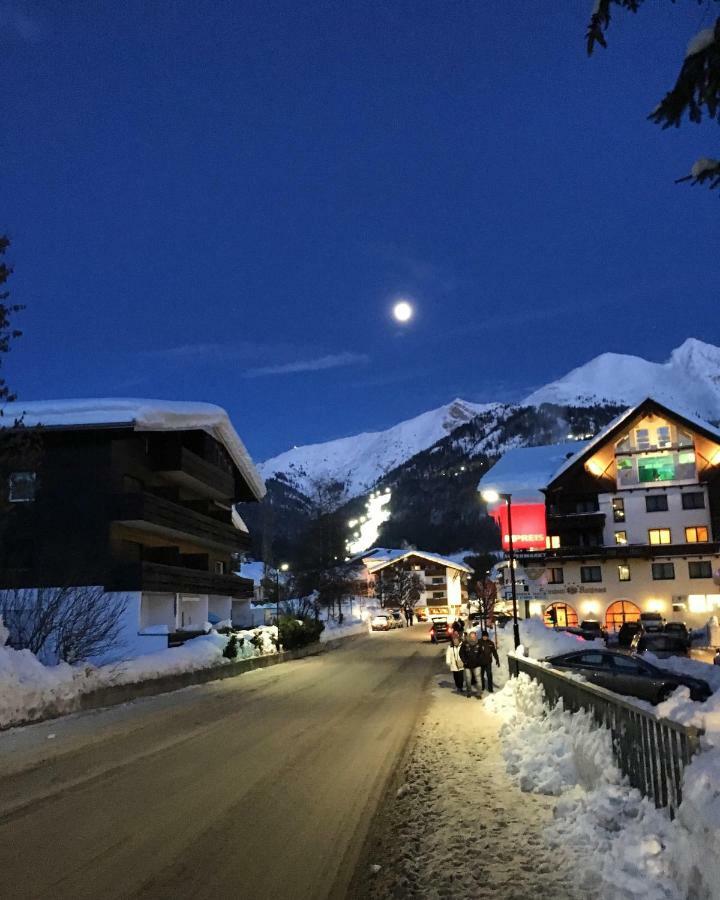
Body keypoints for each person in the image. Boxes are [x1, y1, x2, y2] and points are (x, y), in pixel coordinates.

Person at [460, 630, 483, 698]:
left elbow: (481, 653)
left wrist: (478, 660)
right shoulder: (465, 643)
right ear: (469, 637)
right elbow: (461, 653)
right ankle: (469, 692)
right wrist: (464, 661)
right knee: (468, 679)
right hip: (467, 665)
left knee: (478, 679)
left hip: (477, 665)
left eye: (474, 636)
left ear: (476, 637)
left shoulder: (479, 643)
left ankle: (479, 693)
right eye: (471, 636)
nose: (473, 638)